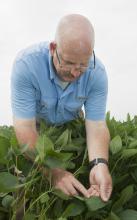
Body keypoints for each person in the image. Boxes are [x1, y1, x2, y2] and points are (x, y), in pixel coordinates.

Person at [11, 14, 112, 202]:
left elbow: (96, 126)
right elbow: (25, 127)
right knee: (25, 178)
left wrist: (99, 164)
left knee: (74, 178)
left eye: (83, 65)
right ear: (53, 48)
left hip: (70, 125)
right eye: (69, 63)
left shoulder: (97, 74)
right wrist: (53, 172)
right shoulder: (26, 65)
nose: (75, 72)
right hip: (37, 128)